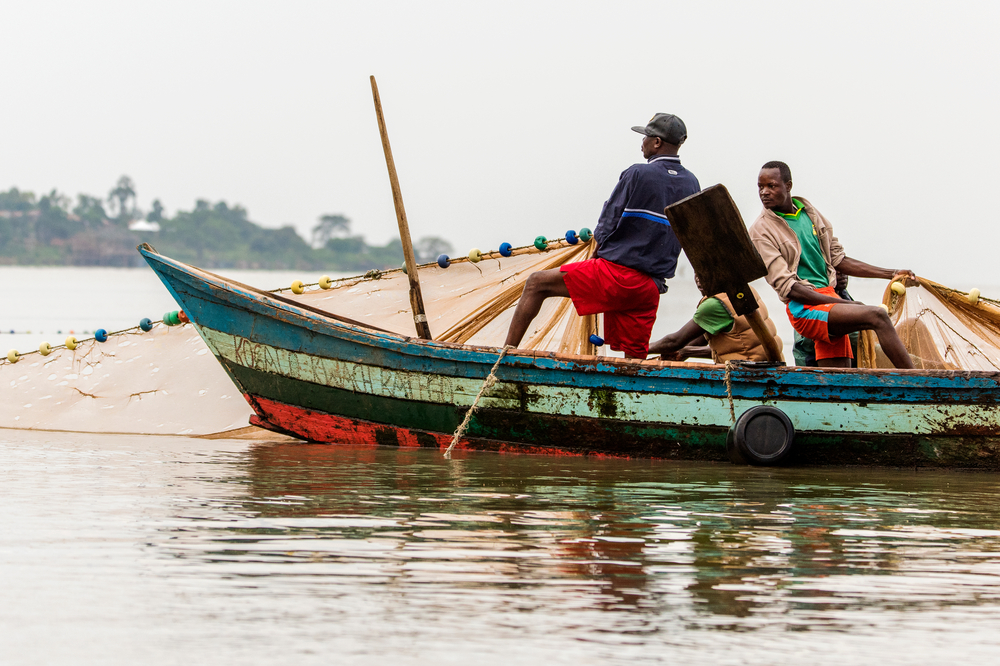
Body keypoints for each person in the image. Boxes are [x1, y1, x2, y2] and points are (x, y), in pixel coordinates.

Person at [503, 113, 701, 358]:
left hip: (617, 276)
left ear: (657, 143)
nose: (642, 143)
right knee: (633, 362)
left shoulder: (637, 173)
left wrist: (595, 256)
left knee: (536, 283)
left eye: (646, 137)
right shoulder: (692, 183)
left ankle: (505, 355)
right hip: (649, 287)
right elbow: (690, 235)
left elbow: (608, 221)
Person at [749, 161, 915, 369]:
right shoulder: (761, 230)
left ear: (788, 186)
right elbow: (790, 288)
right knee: (877, 316)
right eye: (760, 187)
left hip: (831, 300)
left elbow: (839, 259)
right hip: (806, 307)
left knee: (838, 376)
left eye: (771, 186)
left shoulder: (809, 214)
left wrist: (891, 273)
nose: (764, 192)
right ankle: (919, 383)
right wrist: (845, 305)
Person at [649, 276, 782, 363]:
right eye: (696, 273)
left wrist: (639, 348)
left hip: (750, 374)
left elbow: (675, 341)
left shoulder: (714, 305)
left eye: (704, 273)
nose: (698, 279)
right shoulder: (744, 290)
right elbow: (704, 342)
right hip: (766, 364)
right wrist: (685, 352)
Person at [793, 269, 859, 367]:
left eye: (844, 268)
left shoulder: (844, 297)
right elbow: (807, 341)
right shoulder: (813, 299)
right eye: (835, 269)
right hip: (812, 369)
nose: (842, 273)